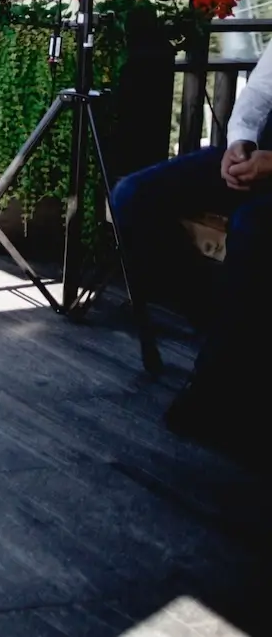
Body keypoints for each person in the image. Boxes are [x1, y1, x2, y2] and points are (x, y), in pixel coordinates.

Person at [109, 50, 268, 454]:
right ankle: (218, 331)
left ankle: (217, 378)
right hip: (259, 158)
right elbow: (259, 93)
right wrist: (240, 144)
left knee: (251, 227)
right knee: (133, 196)